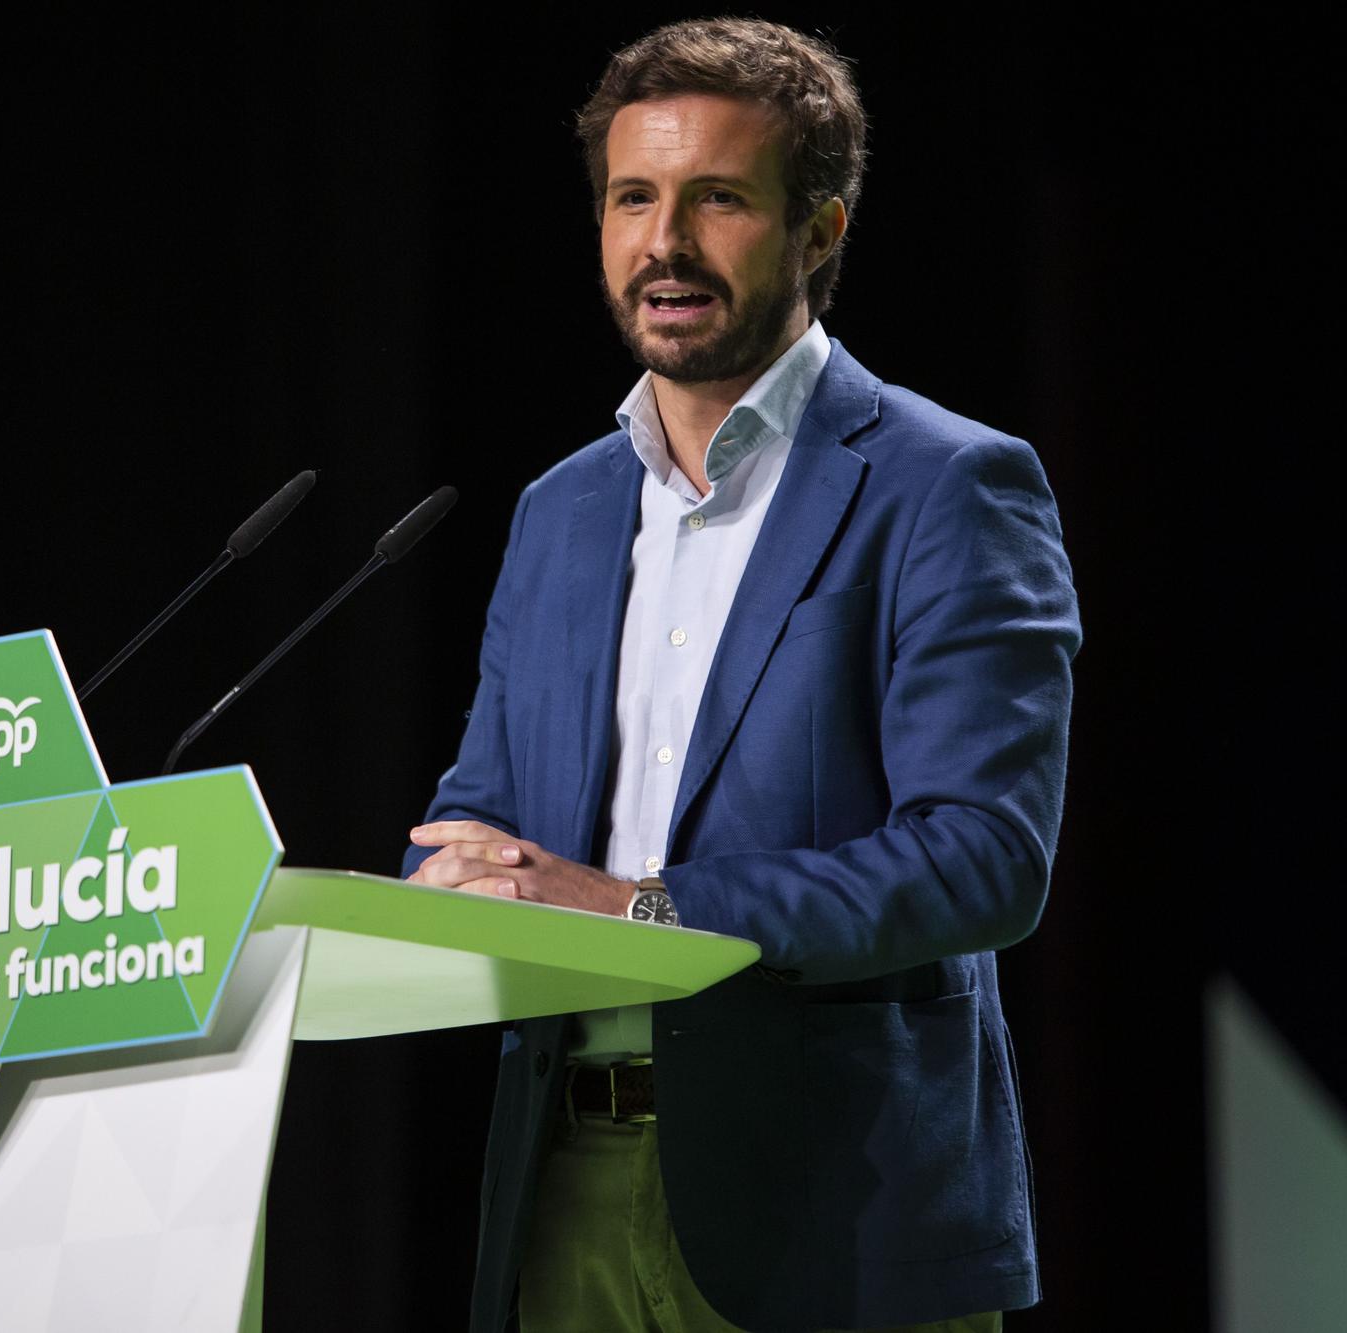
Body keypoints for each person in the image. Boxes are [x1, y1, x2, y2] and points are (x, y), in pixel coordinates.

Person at [400, 18, 1079, 1333]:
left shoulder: (948, 485)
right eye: (634, 197)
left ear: (820, 230)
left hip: (839, 1204)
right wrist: (457, 878)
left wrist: (643, 909)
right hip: (571, 1188)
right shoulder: (559, 511)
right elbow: (473, 820)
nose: (666, 242)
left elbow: (983, 858)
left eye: (719, 199)